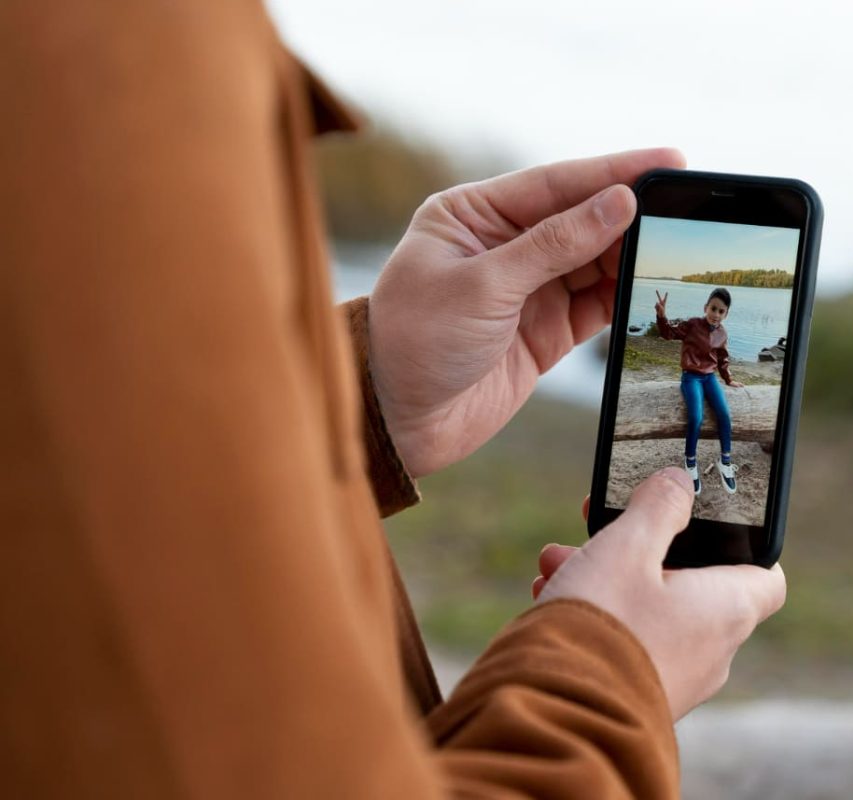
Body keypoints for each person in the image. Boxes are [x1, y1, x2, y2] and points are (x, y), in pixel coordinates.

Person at [0, 3, 784, 797]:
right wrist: (610, 674)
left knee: (716, 424)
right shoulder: (90, 42)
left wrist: (365, 398)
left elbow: (104, 481)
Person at [654, 287, 745, 495]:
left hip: (710, 378)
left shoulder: (722, 333)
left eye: (721, 311)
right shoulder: (692, 324)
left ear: (726, 314)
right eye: (713, 308)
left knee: (724, 414)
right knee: (696, 417)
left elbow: (722, 359)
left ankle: (725, 461)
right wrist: (661, 316)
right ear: (706, 307)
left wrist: (729, 379)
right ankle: (691, 462)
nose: (716, 314)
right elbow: (668, 333)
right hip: (691, 377)